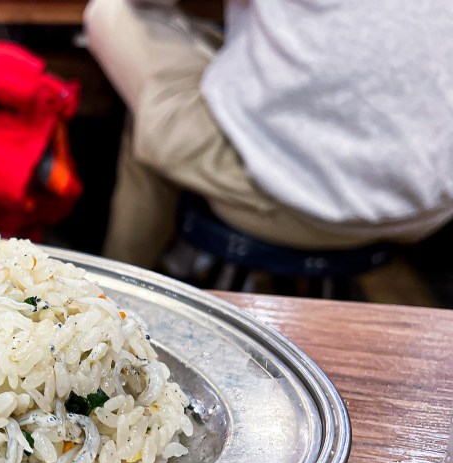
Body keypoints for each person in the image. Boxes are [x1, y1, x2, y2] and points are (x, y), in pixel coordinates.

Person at [85, 0, 453, 269]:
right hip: (430, 201)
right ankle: (167, 266)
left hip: (308, 205)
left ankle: (117, 291)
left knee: (113, 14)